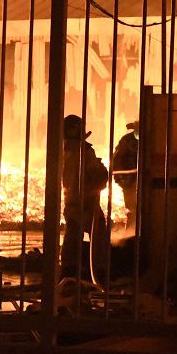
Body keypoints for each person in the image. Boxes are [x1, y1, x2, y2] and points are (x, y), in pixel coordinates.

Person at [60, 114, 109, 282]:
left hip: (71, 200)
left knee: (72, 237)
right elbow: (97, 175)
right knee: (99, 236)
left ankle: (67, 273)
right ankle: (98, 273)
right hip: (87, 201)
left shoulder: (62, 149)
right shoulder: (85, 151)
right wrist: (104, 172)